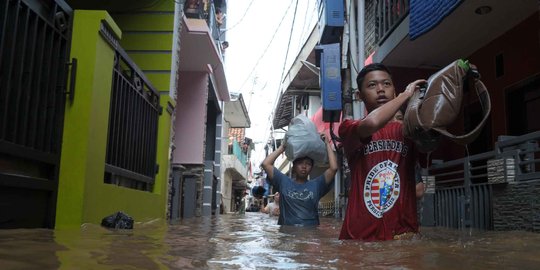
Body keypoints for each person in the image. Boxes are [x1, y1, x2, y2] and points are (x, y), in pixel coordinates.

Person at [338, 63, 427, 241]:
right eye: (372, 85)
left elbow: (431, 141)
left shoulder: (407, 131)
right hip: (360, 235)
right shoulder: (349, 128)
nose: (380, 90)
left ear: (393, 90)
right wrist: (405, 95)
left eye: (386, 84)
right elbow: (371, 124)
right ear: (359, 96)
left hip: (403, 233)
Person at [261, 134, 338, 226]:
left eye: (308, 164)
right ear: (294, 167)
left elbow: (334, 168)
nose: (304, 167)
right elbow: (266, 164)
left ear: (311, 168)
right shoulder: (283, 181)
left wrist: (327, 144)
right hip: (287, 235)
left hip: (310, 236)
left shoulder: (317, 184)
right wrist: (282, 147)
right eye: (300, 163)